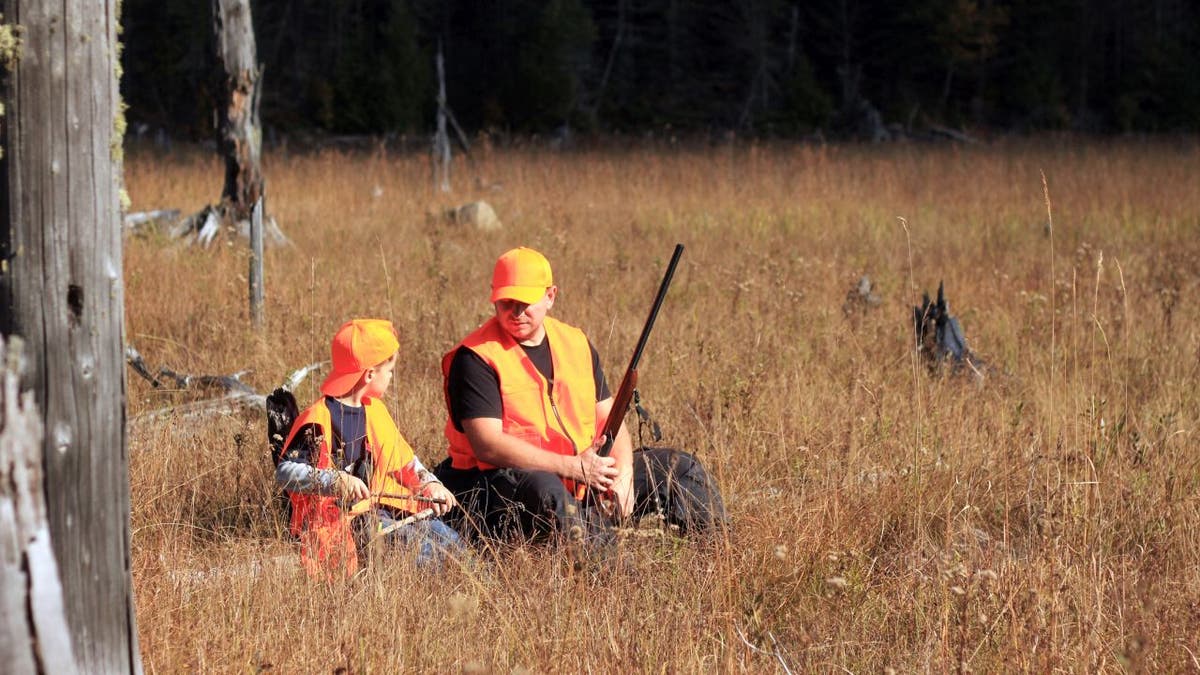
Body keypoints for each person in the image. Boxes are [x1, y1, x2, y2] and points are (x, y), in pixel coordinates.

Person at [434, 247, 726, 548]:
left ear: (551, 296)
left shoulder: (574, 343)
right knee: (547, 490)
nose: (516, 312)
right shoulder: (476, 357)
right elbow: (488, 445)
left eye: (525, 302)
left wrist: (622, 476)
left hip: (582, 477)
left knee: (680, 467)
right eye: (506, 302)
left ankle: (719, 555)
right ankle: (617, 581)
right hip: (506, 487)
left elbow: (611, 420)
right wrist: (572, 467)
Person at [277, 319, 463, 575]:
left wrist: (430, 484)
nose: (391, 378)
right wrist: (334, 480)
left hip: (383, 510)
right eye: (390, 371)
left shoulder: (375, 410)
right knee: (426, 553)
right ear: (370, 374)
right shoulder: (318, 418)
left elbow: (405, 461)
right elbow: (285, 472)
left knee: (451, 541)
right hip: (345, 523)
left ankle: (478, 582)